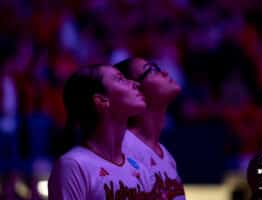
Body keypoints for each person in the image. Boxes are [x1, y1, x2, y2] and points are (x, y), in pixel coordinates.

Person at [48, 64, 152, 200]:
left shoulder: (140, 170)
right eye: (120, 79)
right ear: (102, 100)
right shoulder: (74, 166)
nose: (135, 83)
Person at [115, 58, 186, 199]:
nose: (165, 73)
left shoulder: (167, 156)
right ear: (134, 87)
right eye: (152, 70)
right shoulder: (123, 150)